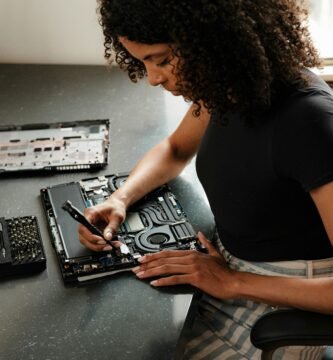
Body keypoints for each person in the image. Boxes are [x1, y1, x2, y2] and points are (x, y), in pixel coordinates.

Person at [79, 0, 333, 358]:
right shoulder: (227, 90)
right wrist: (121, 198)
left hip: (281, 309)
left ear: (213, 39)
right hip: (226, 274)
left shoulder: (309, 121)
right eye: (143, 62)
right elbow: (175, 149)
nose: (152, 78)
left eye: (162, 59)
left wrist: (233, 281)